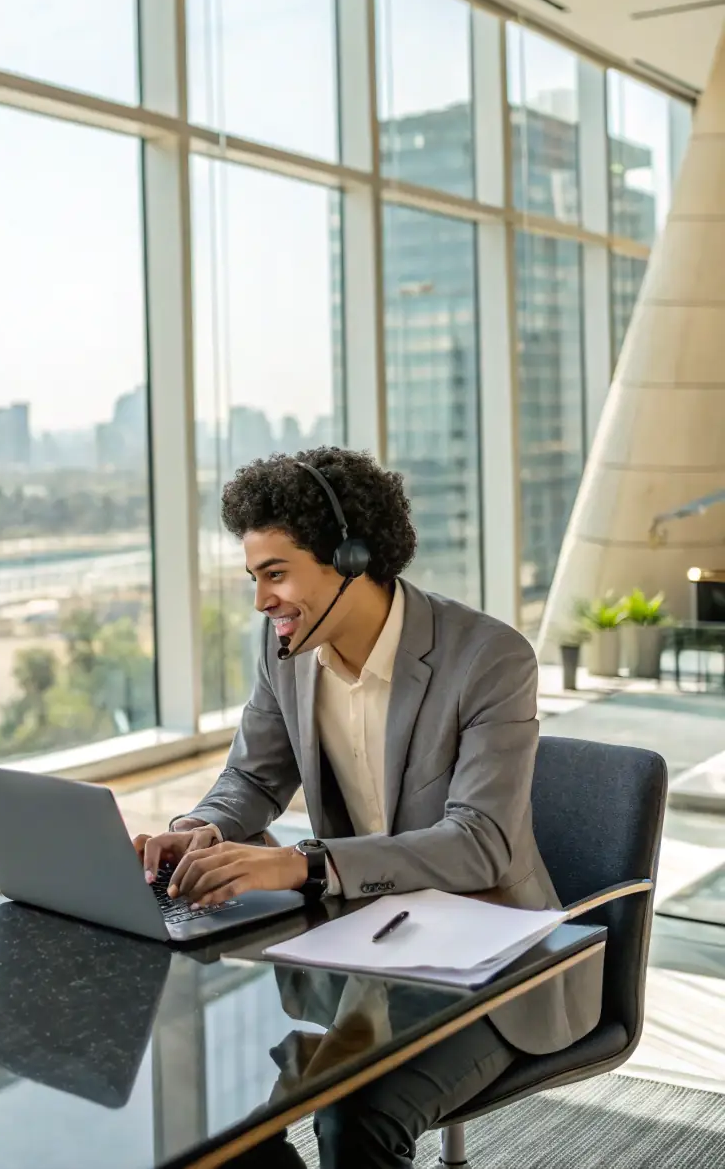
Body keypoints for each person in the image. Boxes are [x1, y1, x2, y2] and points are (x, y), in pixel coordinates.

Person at [133, 447, 602, 1168]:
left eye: (276, 573)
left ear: (352, 556)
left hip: (490, 961)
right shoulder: (283, 647)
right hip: (356, 952)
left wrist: (301, 863)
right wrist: (199, 828)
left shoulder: (488, 658)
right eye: (254, 578)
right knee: (214, 1118)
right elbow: (251, 779)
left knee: (354, 1115)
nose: (262, 601)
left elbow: (479, 843)